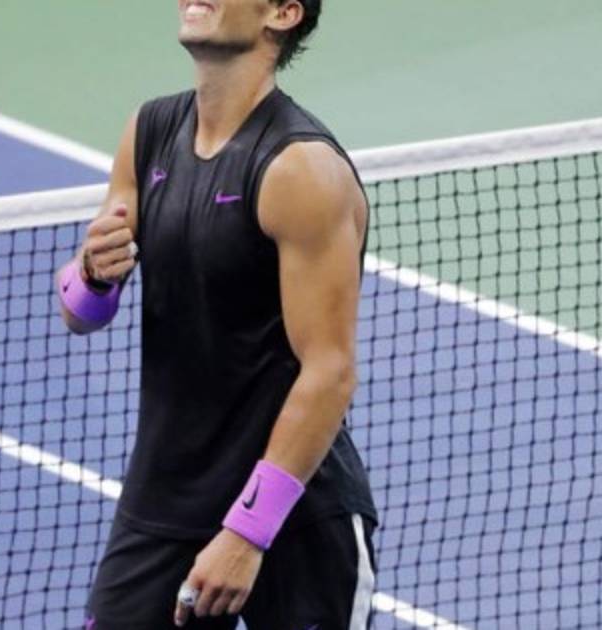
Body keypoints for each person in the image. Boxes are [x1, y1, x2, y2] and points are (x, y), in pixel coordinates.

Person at [57, 1, 377, 627]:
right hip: (167, 495)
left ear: (282, 13)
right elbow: (81, 312)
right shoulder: (149, 132)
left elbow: (330, 372)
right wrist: (93, 273)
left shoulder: (300, 170)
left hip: (294, 516)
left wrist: (248, 531)